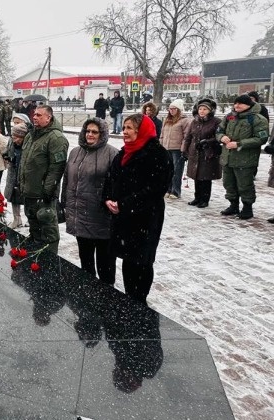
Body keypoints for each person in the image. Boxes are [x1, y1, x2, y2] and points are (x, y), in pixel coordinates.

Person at [103, 114, 171, 302]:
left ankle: (139, 302)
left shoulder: (158, 154)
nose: (124, 132)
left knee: (141, 261)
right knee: (128, 259)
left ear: (142, 131)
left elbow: (155, 189)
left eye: (130, 128)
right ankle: (130, 299)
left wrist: (125, 204)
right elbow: (110, 179)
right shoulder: (124, 152)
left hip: (145, 218)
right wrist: (107, 199)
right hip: (124, 217)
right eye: (124, 127)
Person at [62, 118, 118, 282]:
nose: (90, 135)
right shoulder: (75, 152)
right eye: (87, 131)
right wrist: (65, 202)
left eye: (94, 132)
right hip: (80, 216)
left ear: (102, 134)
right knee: (85, 263)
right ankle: (88, 291)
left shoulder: (112, 154)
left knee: (105, 265)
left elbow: (116, 186)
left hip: (100, 217)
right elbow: (67, 179)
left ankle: (107, 294)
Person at [18, 105, 69, 252]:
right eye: (34, 114)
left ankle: (50, 261)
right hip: (30, 192)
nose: (34, 117)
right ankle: (36, 256)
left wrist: (48, 191)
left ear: (48, 118)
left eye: (39, 115)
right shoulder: (31, 135)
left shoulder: (56, 138)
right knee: (34, 228)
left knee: (48, 231)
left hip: (44, 195)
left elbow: (56, 168)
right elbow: (25, 162)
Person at [216, 94, 269, 220]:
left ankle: (247, 207)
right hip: (228, 157)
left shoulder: (257, 119)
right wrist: (221, 137)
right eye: (235, 103)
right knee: (228, 183)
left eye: (240, 103)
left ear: (248, 105)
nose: (237, 105)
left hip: (245, 158)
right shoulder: (230, 116)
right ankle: (233, 205)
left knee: (245, 185)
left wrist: (240, 144)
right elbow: (219, 130)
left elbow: (261, 138)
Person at [182, 98, 222, 208]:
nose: (202, 111)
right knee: (196, 176)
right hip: (195, 152)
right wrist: (184, 150)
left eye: (205, 109)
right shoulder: (195, 121)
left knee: (205, 177)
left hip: (208, 153)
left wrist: (207, 142)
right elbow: (188, 137)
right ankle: (197, 197)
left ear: (210, 110)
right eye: (200, 109)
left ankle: (204, 199)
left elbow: (219, 136)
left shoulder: (216, 122)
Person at [160, 99, 191, 199]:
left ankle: (176, 191)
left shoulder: (184, 120)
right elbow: (162, 134)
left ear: (179, 109)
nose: (171, 110)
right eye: (170, 109)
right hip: (166, 148)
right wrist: (161, 146)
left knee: (177, 171)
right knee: (168, 170)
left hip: (177, 149)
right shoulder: (167, 120)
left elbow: (186, 136)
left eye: (174, 109)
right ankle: (168, 189)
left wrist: (183, 148)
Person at [3, 123, 28, 228]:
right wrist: (6, 156)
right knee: (13, 196)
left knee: (27, 197)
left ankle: (30, 219)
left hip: (25, 174)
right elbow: (7, 151)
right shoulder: (11, 141)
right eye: (13, 137)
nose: (14, 140)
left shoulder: (29, 145)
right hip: (13, 172)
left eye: (17, 137)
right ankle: (16, 219)